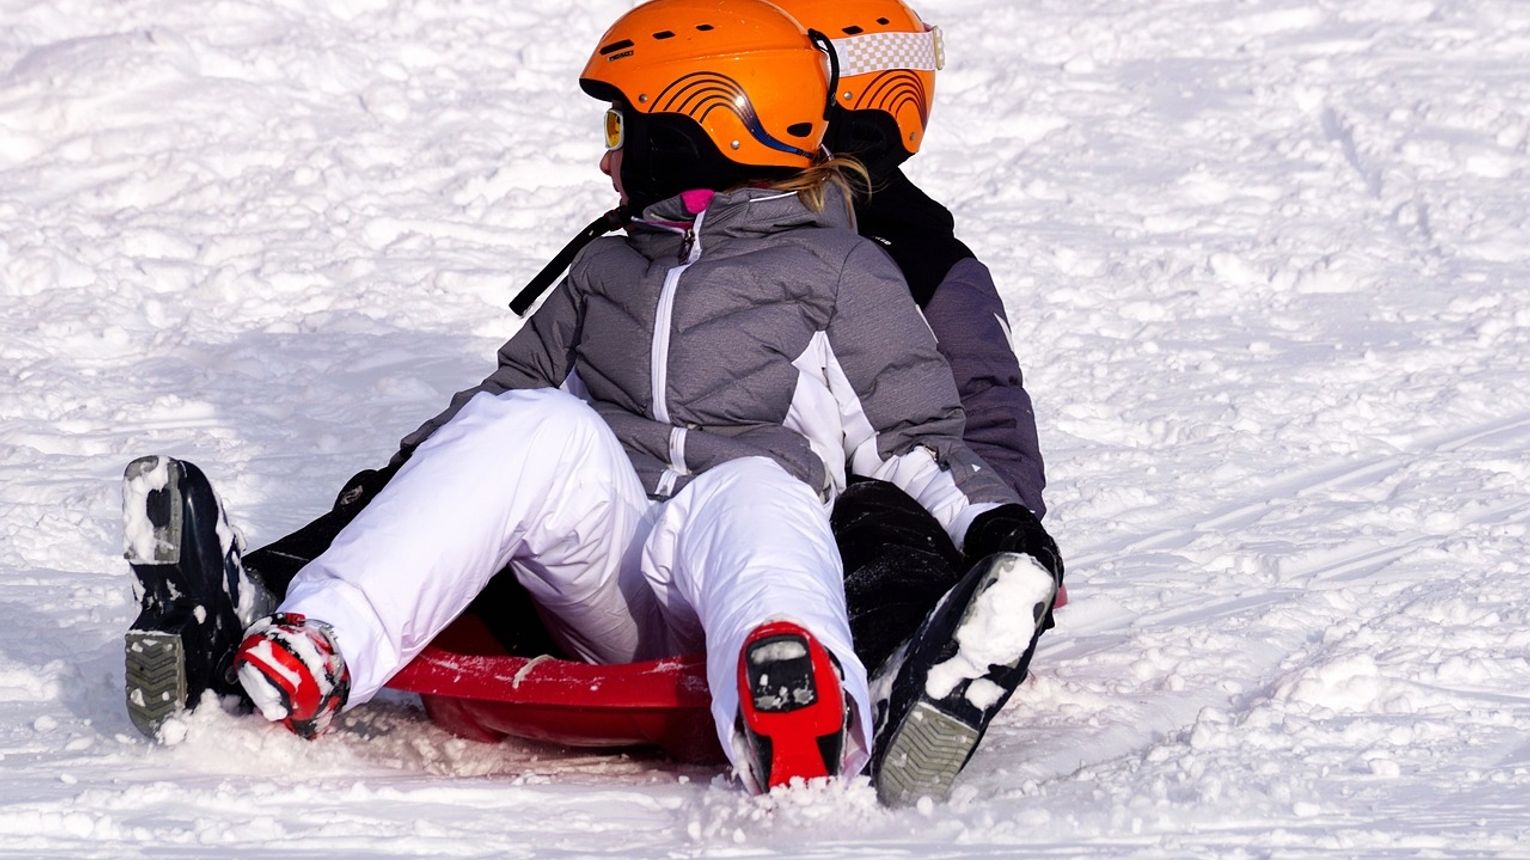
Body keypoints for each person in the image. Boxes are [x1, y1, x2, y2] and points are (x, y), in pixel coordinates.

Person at [123, 0, 1057, 797]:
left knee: (760, 488)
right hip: (603, 576)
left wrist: (1002, 529)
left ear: (697, 124)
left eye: (622, 130)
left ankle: (798, 694)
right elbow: (499, 414)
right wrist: (392, 487)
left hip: (741, 562)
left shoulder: (846, 271)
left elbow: (917, 437)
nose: (607, 161)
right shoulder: (605, 267)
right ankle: (319, 642)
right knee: (535, 422)